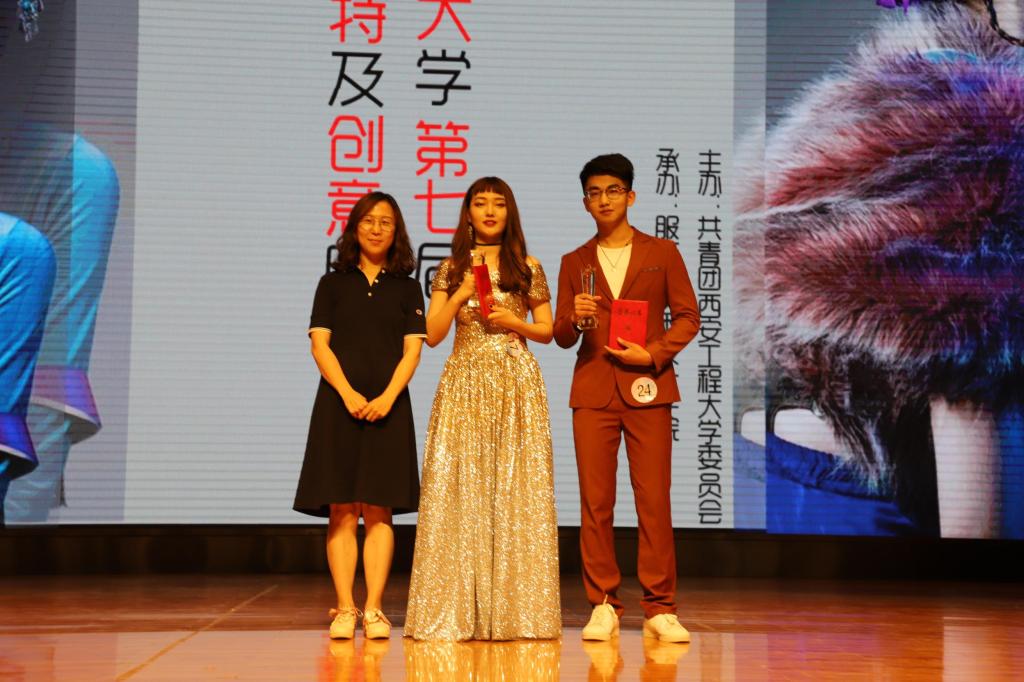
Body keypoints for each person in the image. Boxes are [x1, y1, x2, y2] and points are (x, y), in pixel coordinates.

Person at [404, 176, 561, 641]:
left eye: (498, 204)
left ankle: (518, 611)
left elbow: (547, 330)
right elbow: (433, 336)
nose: (490, 211)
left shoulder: (527, 266)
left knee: (515, 489)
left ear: (510, 213)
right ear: (468, 213)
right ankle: (456, 609)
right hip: (465, 380)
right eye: (480, 203)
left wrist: (515, 322)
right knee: (461, 489)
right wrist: (459, 291)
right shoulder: (450, 267)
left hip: (514, 381)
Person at [553, 153, 700, 643]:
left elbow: (688, 317)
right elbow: (561, 336)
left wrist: (652, 353)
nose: (604, 200)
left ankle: (660, 607)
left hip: (647, 387)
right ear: (585, 203)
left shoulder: (662, 252)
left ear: (630, 196)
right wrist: (574, 318)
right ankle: (603, 604)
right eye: (594, 193)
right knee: (595, 502)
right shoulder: (574, 261)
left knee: (653, 499)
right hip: (593, 390)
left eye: (613, 190)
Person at [293, 192, 426, 640]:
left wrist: (387, 396)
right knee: (343, 510)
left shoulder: (407, 287)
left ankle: (374, 609)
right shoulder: (332, 284)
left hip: (390, 407)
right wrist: (348, 393)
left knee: (380, 510)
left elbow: (412, 351)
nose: (376, 228)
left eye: (386, 222)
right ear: (354, 228)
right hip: (338, 406)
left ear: (396, 231)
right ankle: (346, 608)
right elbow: (320, 346)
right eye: (368, 220)